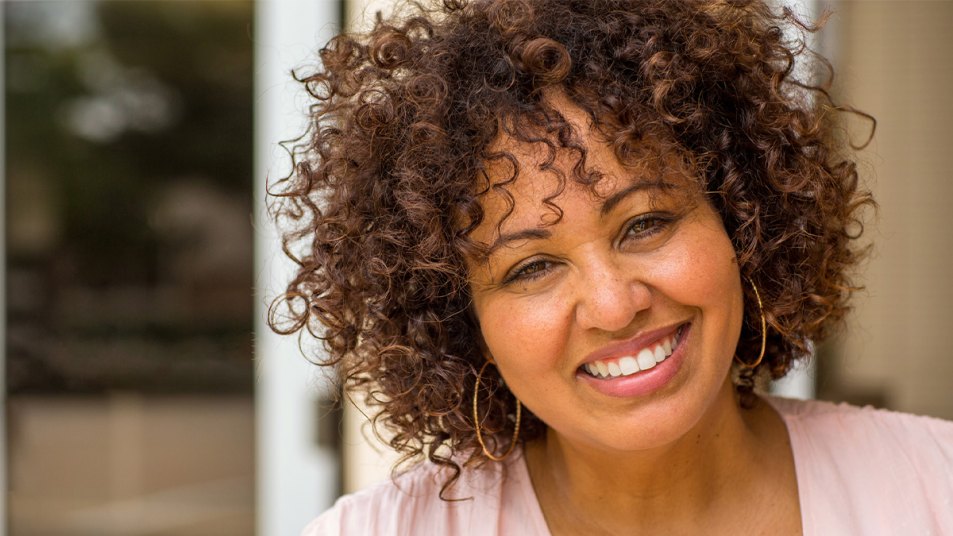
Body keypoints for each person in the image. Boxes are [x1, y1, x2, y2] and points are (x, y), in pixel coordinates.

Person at [269, 0, 953, 534]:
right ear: (459, 321)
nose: (613, 305)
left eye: (645, 223)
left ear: (743, 221)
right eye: (530, 267)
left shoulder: (935, 490)